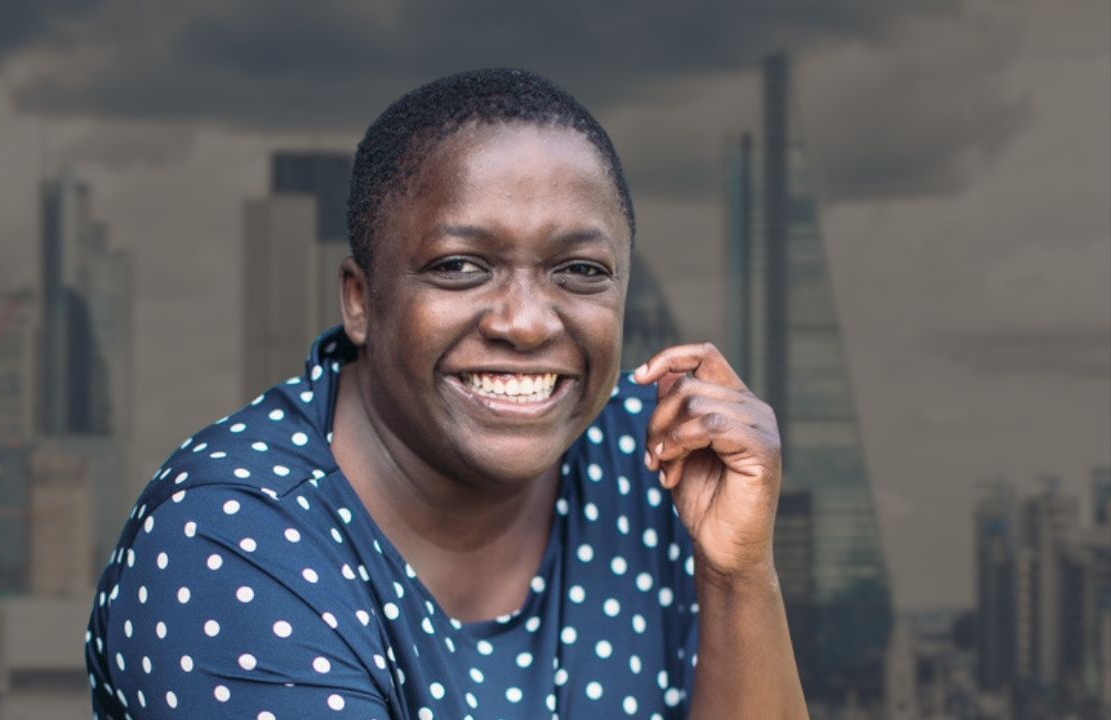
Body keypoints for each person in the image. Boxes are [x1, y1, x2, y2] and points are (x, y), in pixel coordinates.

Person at [85, 68, 807, 719]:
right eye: (461, 266)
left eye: (581, 271)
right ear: (361, 300)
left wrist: (736, 575)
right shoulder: (227, 540)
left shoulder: (657, 461)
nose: (526, 323)